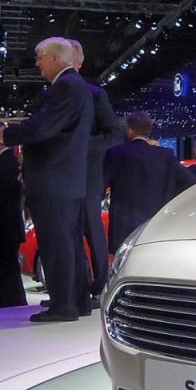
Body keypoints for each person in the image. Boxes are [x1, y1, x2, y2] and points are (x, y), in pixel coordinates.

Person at [1, 37, 94, 322]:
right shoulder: (76, 86)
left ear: (54, 57)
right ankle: (77, 301)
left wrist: (6, 135)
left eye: (40, 57)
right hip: (66, 180)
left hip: (54, 180)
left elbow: (43, 128)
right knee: (69, 243)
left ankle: (63, 306)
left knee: (57, 244)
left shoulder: (65, 87)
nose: (37, 63)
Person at [69, 39, 124, 298]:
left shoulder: (94, 94)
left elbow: (113, 134)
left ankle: (100, 285)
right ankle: (73, 288)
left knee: (91, 228)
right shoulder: (53, 94)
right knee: (67, 231)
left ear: (78, 62)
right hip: (60, 174)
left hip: (88, 173)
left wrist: (78, 146)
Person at [104, 111, 196, 250]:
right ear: (148, 130)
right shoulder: (166, 155)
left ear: (129, 130)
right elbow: (190, 181)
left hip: (124, 230)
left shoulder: (115, 154)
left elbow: (99, 186)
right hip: (156, 227)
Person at [0, 145, 26, 308]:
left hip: (7, 224)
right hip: (7, 224)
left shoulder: (8, 160)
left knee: (8, 266)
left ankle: (14, 300)